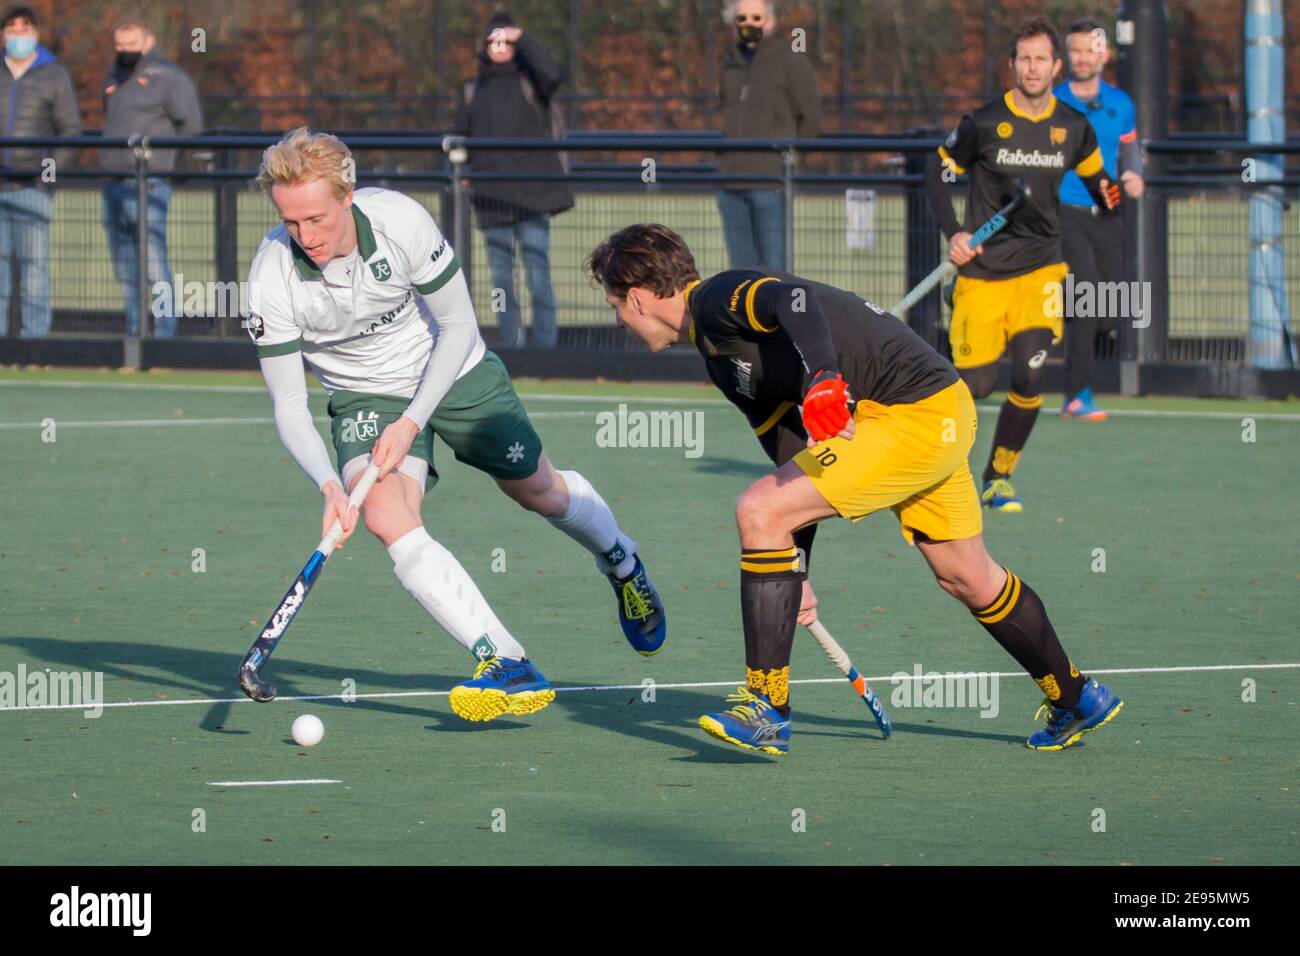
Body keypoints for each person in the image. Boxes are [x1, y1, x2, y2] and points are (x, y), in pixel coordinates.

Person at [586, 224, 1123, 754]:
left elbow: (791, 298)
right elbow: (792, 454)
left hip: (911, 412)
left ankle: (767, 707)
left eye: (614, 306)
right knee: (967, 575)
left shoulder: (716, 300)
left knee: (758, 508)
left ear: (636, 298)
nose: (618, 320)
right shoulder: (722, 362)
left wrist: (823, 377)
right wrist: (794, 569)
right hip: (929, 413)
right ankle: (1076, 697)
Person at [247, 129, 665, 723]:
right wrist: (329, 484)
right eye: (290, 222)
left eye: (316, 218)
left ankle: (622, 560)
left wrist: (413, 420)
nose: (305, 237)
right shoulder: (271, 276)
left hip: (452, 367)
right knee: (385, 515)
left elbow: (460, 327)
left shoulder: (401, 222)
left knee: (539, 492)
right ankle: (506, 662)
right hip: (365, 394)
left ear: (348, 196)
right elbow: (289, 403)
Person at [924, 17, 1120, 513]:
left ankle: (998, 477)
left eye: (1041, 59)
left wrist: (1117, 192)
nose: (1033, 68)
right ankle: (928, 457)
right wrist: (956, 234)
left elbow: (1101, 180)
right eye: (1024, 59)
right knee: (977, 386)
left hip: (1041, 269)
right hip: (984, 274)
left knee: (1030, 374)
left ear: (1056, 67)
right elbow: (937, 169)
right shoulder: (984, 123)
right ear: (1012, 65)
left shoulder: (1074, 128)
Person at [454, 12, 572, 349]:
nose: (500, 45)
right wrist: (465, 176)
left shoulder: (532, 81)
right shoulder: (471, 90)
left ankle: (546, 350)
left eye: (507, 39)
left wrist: (523, 35)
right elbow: (460, 136)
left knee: (538, 275)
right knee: (502, 282)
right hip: (491, 198)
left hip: (531, 195)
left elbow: (553, 71)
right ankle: (509, 348)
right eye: (494, 39)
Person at [1055, 16, 1144, 421]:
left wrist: (1135, 173)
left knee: (1108, 308)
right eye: (1074, 50)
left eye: (1090, 49)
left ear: (1103, 54)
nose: (1082, 57)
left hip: (1109, 209)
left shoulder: (1121, 103)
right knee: (1085, 296)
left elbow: (1129, 151)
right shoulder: (1054, 102)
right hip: (1066, 211)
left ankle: (1058, 324)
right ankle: (1076, 394)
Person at [99, 13, 201, 338]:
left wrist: (163, 159)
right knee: (126, 266)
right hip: (114, 181)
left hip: (149, 182)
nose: (125, 49)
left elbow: (191, 125)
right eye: (120, 44)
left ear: (148, 41)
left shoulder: (168, 77)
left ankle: (163, 335)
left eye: (132, 43)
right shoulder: (113, 76)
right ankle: (134, 332)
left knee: (154, 262)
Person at [716, 0, 820, 272]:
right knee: (740, 270)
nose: (748, 24)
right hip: (731, 182)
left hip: (770, 180)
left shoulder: (791, 61)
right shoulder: (729, 64)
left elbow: (811, 117)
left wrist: (792, 160)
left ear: (770, 21)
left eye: (756, 18)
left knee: (775, 268)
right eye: (741, 19)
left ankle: (780, 316)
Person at [0, 4, 80, 338]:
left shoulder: (54, 74)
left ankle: (35, 345)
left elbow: (69, 131)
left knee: (34, 271)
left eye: (25, 28)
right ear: (4, 34)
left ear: (36, 33)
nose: (19, 34)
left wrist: (46, 177)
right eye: (12, 28)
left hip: (32, 188)